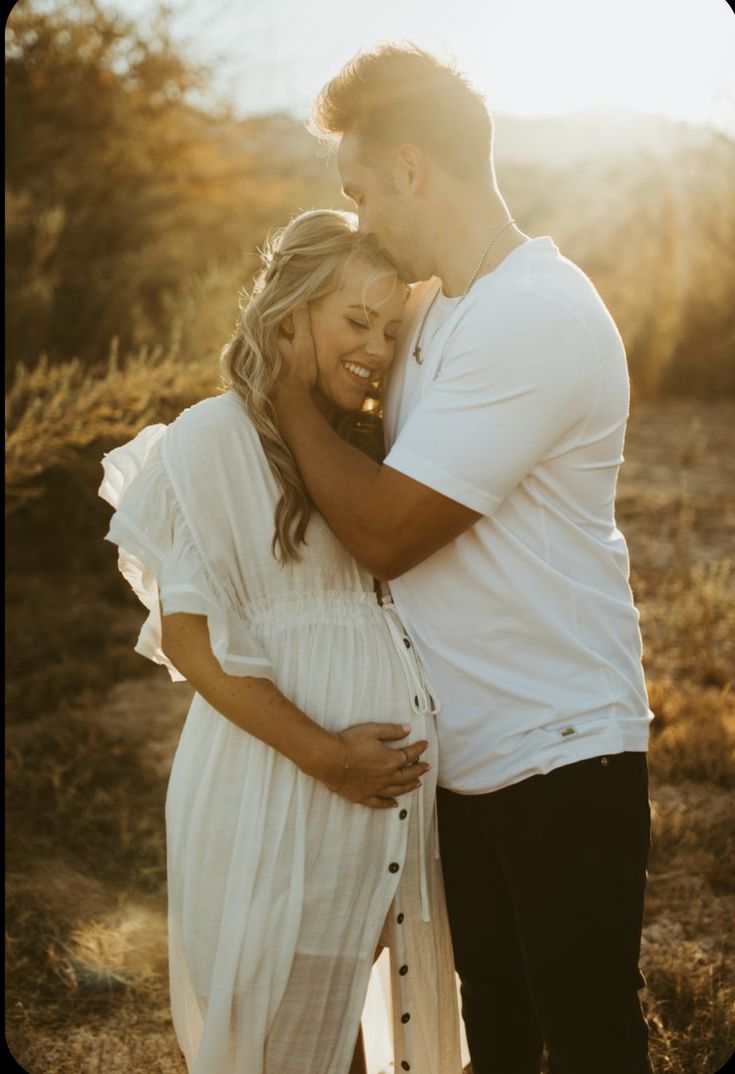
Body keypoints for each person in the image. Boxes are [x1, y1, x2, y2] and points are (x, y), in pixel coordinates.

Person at [272, 46, 654, 1074]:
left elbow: (390, 529)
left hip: (563, 750)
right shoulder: (435, 309)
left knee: (587, 1045)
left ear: (409, 167)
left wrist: (279, 403)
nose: (357, 221)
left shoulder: (536, 313)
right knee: (497, 1036)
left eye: (357, 191)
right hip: (463, 757)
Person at [98, 209, 463, 1074]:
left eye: (388, 329)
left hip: (385, 814)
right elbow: (193, 644)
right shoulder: (212, 441)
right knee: (280, 1044)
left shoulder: (368, 446)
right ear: (289, 314)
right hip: (278, 795)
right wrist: (326, 756)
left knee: (360, 1040)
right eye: (354, 321)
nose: (375, 348)